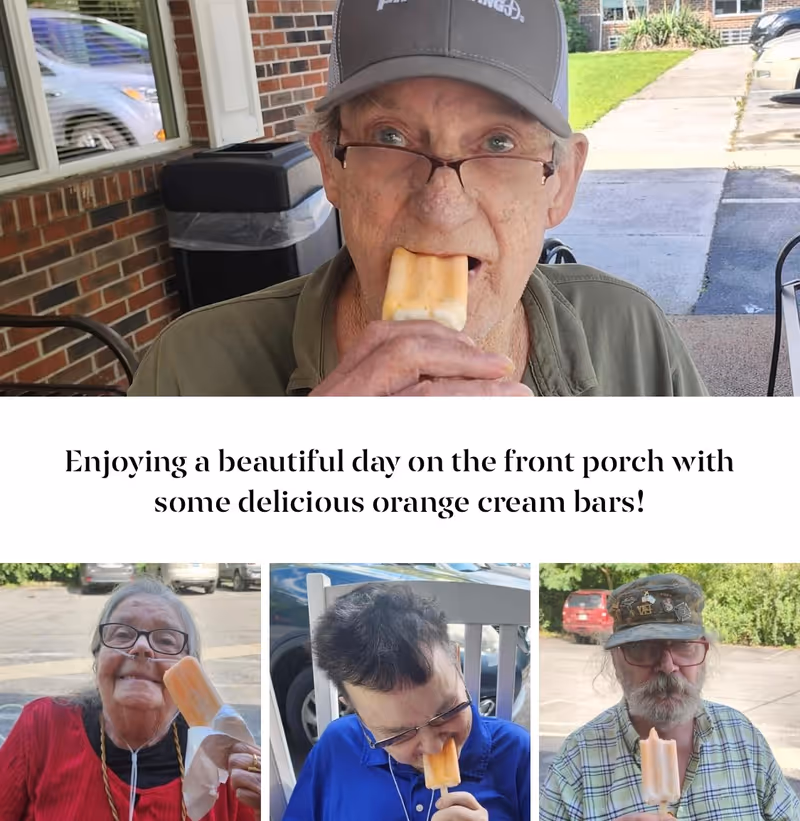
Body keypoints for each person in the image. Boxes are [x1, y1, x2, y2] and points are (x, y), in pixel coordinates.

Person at [127, 0, 706, 397]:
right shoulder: (189, 370)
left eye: (499, 143)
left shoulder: (635, 339)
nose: (440, 205)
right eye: (389, 137)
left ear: (561, 182)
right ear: (332, 167)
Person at [539, 573, 800, 821]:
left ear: (704, 654)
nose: (667, 665)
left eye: (683, 645)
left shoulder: (744, 738)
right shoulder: (576, 760)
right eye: (642, 647)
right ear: (615, 660)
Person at [0, 576, 261, 820]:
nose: (142, 647)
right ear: (97, 658)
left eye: (166, 640)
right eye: (122, 634)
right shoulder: (42, 725)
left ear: (192, 669)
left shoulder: (224, 761)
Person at [283, 583, 530, 820]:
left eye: (447, 712)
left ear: (457, 664)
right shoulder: (337, 748)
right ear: (353, 709)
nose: (433, 747)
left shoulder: (516, 754)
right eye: (399, 735)